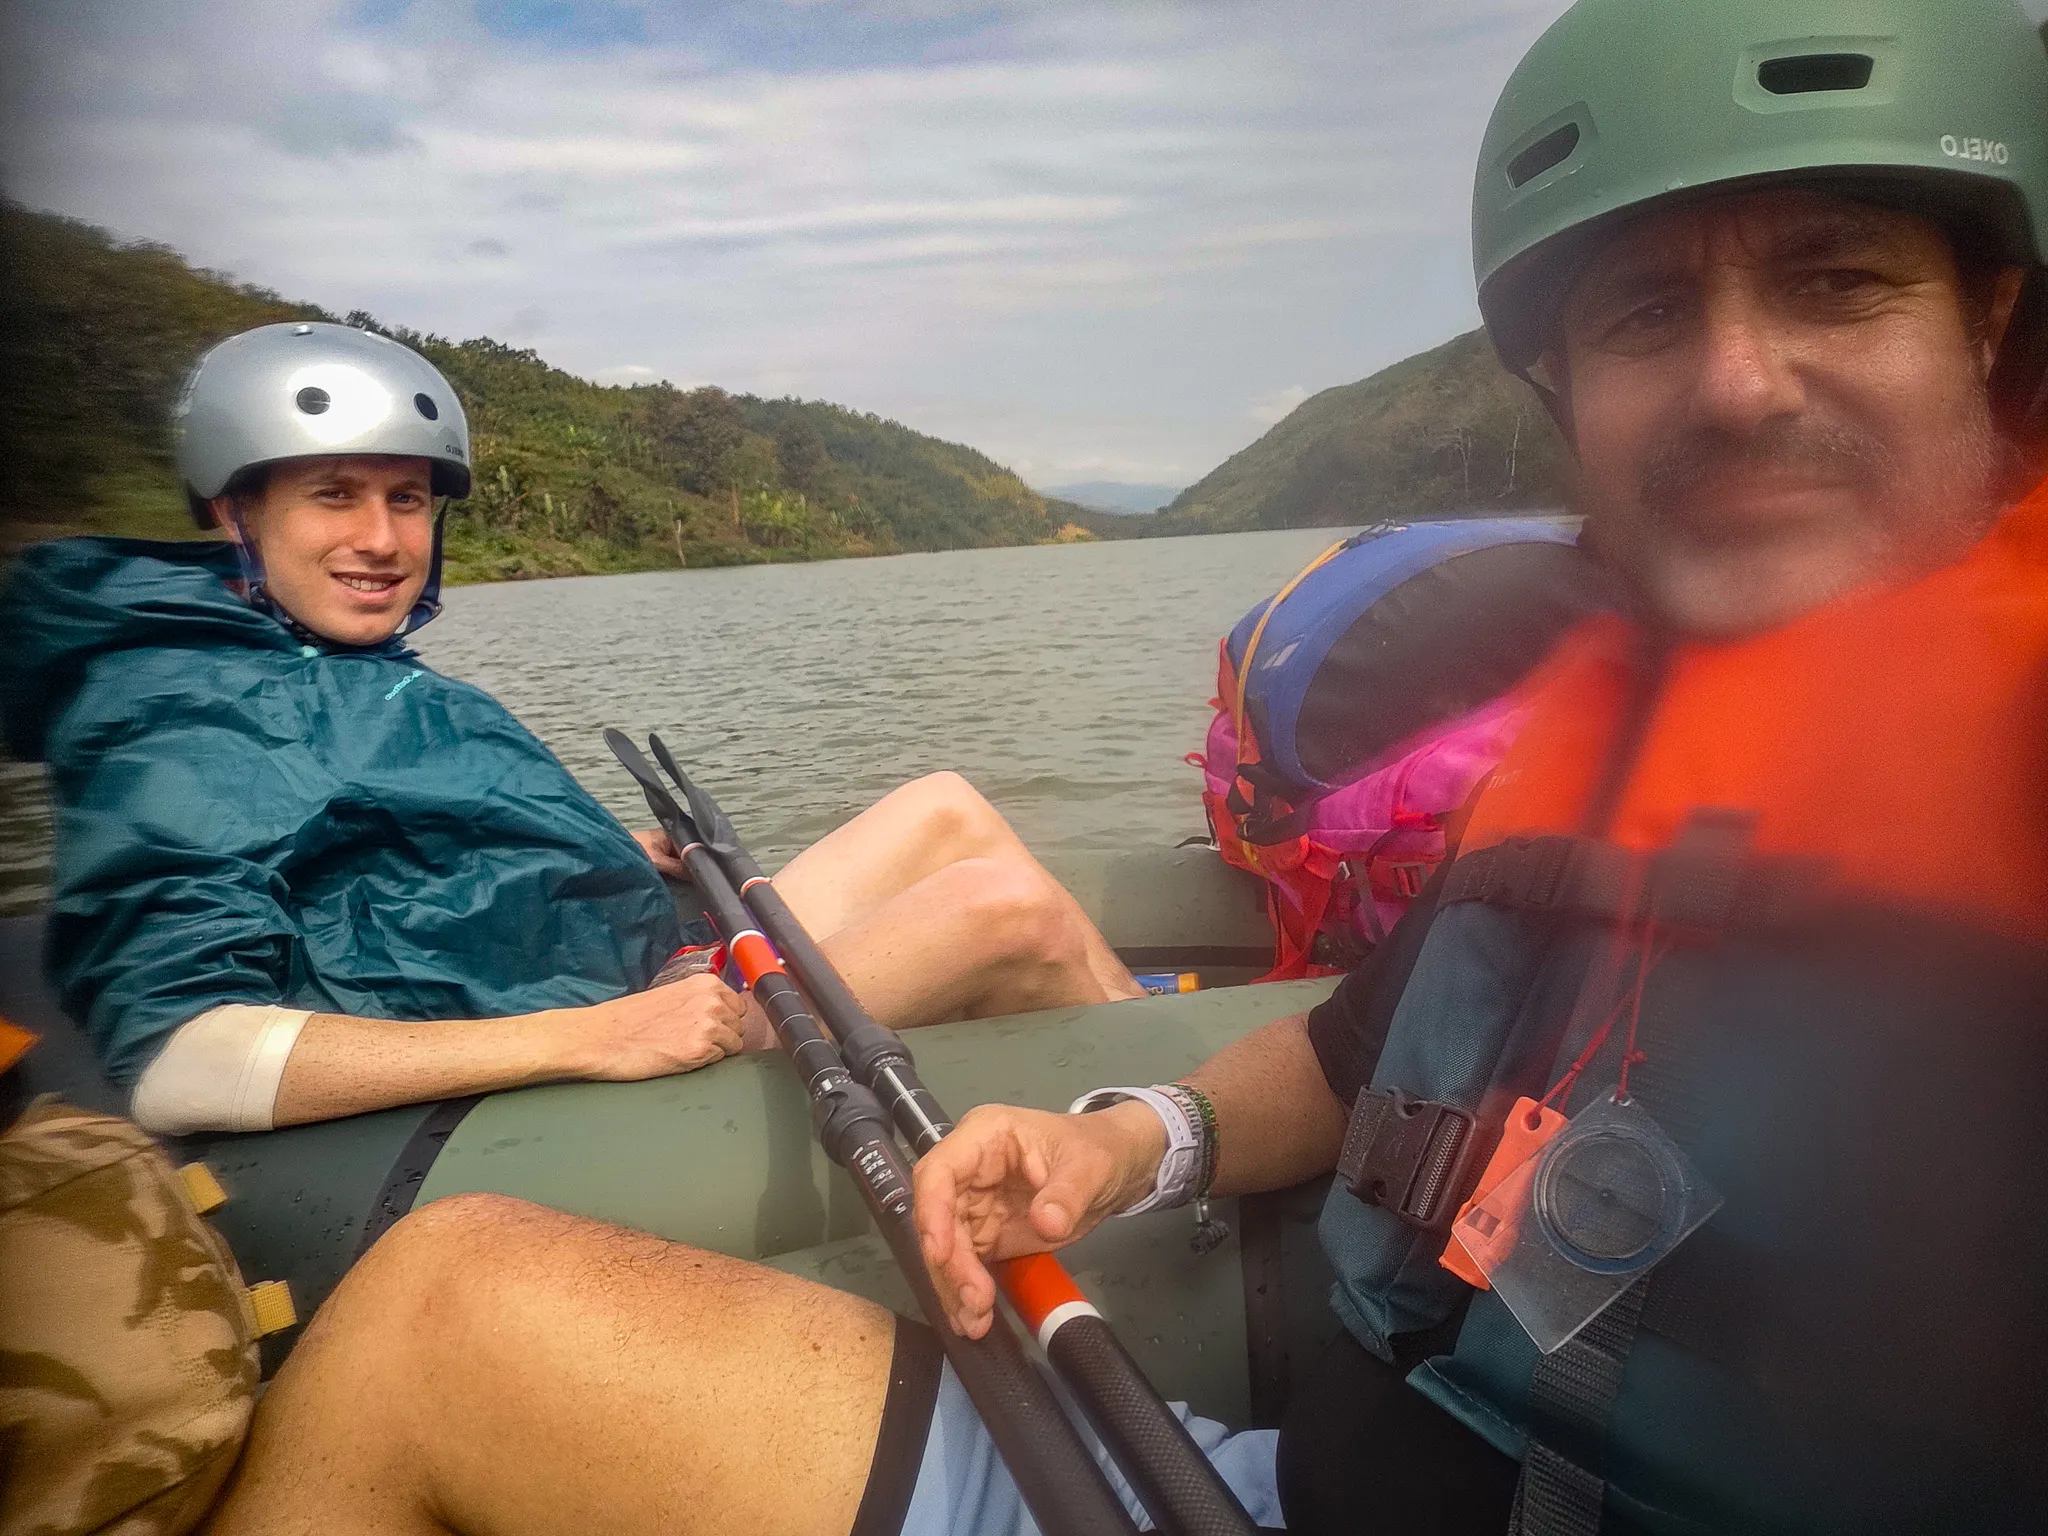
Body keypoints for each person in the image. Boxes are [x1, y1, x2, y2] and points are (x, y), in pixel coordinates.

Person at [190, 1, 2048, 1532]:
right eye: (1647, 315)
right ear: (1563, 386)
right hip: (1253, 1485)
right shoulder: (1614, 728)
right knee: (441, 1308)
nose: (1734, 383)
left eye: (1832, 285)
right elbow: (1353, 1053)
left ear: (1987, 321)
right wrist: (1114, 1141)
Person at [0, 321, 1141, 1138]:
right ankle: (1178, 1143)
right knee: (1005, 913)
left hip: (624, 972)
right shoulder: (178, 705)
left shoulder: (307, 654)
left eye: (406, 500)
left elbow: (381, 828)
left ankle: (1157, 1094)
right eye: (333, 494)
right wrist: (591, 1040)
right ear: (231, 509)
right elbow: (179, 1059)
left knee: (944, 807)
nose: (383, 539)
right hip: (573, 1059)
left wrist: (594, 856)